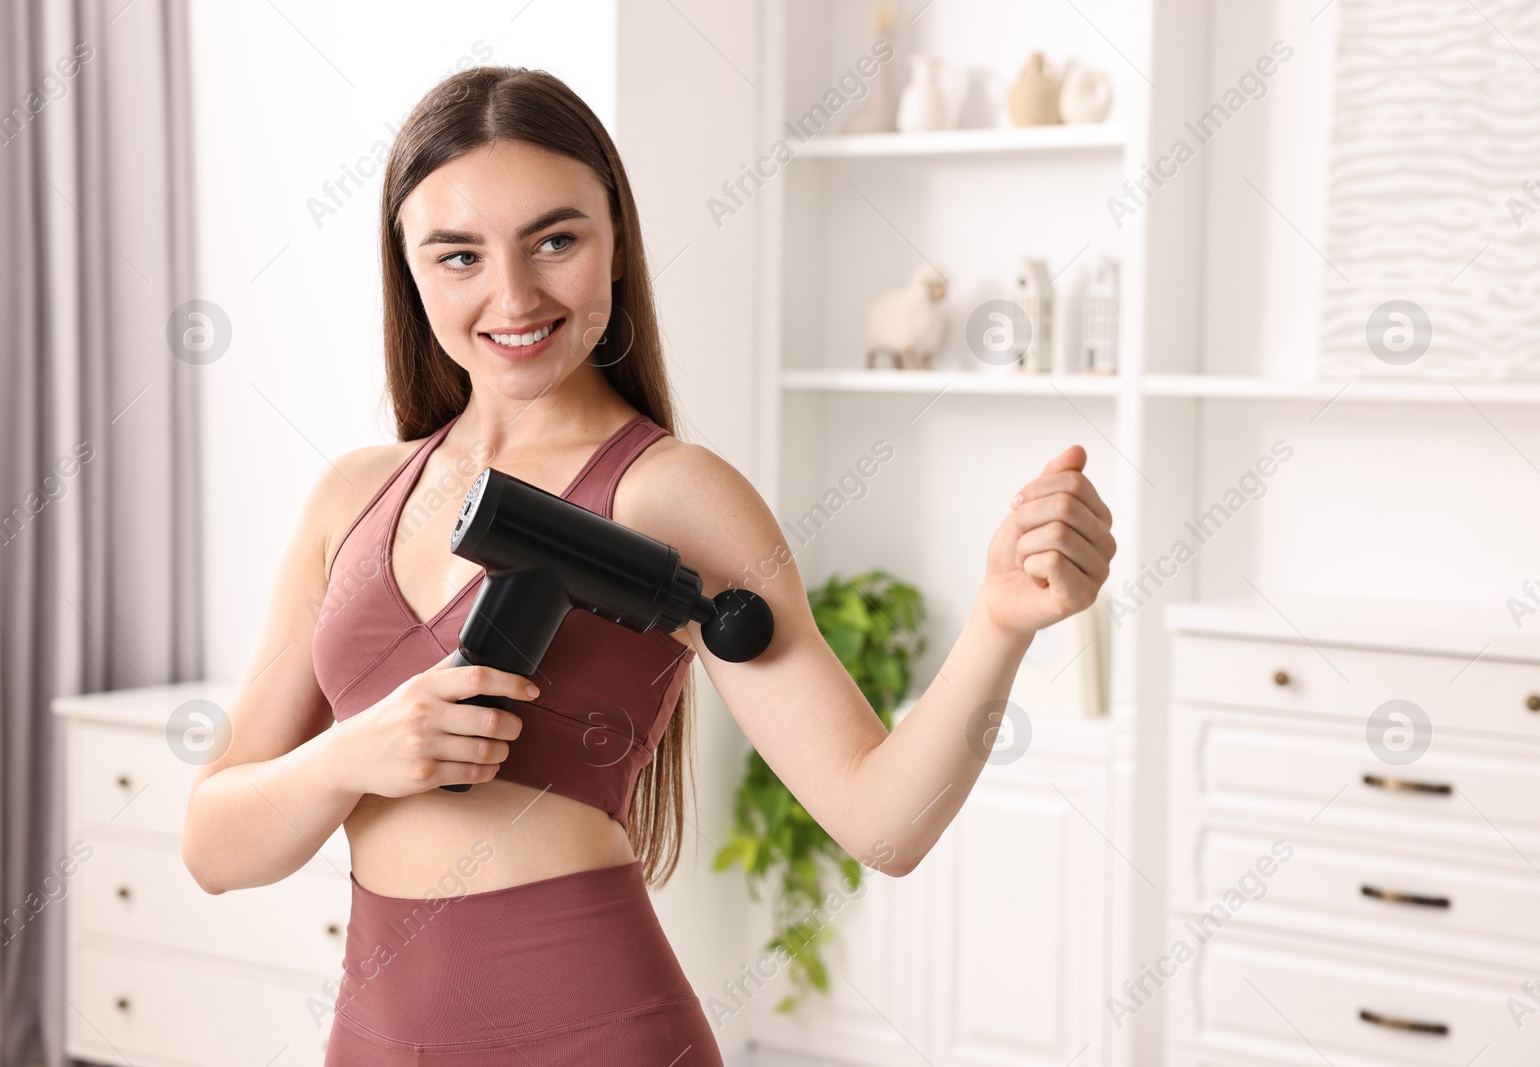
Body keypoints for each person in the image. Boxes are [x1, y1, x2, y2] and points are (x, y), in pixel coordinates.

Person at [180, 66, 1116, 1065]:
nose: (514, 295)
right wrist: (350, 755)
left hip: (592, 1028)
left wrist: (999, 621)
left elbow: (881, 820)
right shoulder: (351, 497)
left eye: (555, 239)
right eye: (458, 255)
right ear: (406, 268)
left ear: (614, 243)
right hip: (376, 1036)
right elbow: (214, 846)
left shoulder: (672, 496)